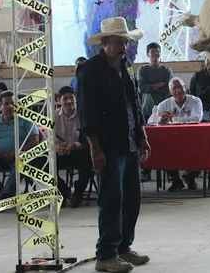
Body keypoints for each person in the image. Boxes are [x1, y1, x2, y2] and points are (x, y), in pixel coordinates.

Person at [77, 17, 151, 273]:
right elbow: (87, 113)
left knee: (132, 199)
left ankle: (123, 248)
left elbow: (134, 102)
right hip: (107, 146)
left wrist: (142, 134)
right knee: (111, 200)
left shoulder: (128, 66)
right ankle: (105, 255)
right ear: (105, 42)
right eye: (119, 43)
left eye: (126, 43)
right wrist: (94, 148)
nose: (124, 47)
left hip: (130, 142)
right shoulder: (90, 70)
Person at [146, 77, 203, 192]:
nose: (178, 91)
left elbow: (197, 117)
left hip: (191, 138)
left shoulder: (195, 101)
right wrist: (160, 120)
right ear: (170, 92)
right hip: (171, 140)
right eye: (174, 88)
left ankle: (190, 176)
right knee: (164, 149)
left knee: (202, 147)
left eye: (180, 87)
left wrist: (175, 119)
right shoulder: (163, 105)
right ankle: (175, 180)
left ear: (185, 88)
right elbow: (150, 120)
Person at [0, 91, 38, 201]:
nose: (10, 106)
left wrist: (16, 152)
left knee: (21, 163)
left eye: (13, 103)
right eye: (6, 104)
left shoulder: (26, 119)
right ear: (0, 107)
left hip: (19, 155)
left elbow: (34, 140)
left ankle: (5, 195)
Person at [137, 43, 172, 182]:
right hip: (147, 109)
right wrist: (158, 84)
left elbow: (168, 88)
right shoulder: (143, 70)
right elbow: (141, 88)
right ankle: (146, 170)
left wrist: (152, 87)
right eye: (153, 53)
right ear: (148, 54)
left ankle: (170, 170)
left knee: (166, 141)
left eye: (158, 52)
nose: (155, 55)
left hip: (164, 109)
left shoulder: (166, 70)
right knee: (147, 140)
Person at [55, 86, 91, 208]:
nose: (69, 101)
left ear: (76, 99)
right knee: (42, 162)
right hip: (59, 151)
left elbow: (89, 139)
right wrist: (56, 147)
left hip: (79, 151)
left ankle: (78, 192)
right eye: (65, 99)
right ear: (59, 100)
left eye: (71, 98)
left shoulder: (84, 115)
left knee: (89, 161)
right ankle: (62, 189)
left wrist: (74, 146)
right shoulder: (53, 116)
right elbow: (46, 137)